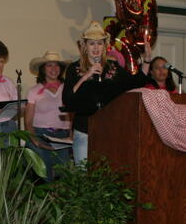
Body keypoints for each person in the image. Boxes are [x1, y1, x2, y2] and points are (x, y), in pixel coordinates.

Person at [62, 21, 152, 164]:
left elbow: (138, 81)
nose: (96, 47)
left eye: (100, 43)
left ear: (105, 46)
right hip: (84, 130)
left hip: (109, 130)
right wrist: (86, 76)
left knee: (107, 176)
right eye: (92, 43)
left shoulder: (113, 68)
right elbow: (68, 98)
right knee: (83, 175)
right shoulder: (74, 68)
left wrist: (147, 60)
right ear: (85, 46)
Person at [25, 51, 71, 181]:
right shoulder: (34, 91)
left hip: (63, 138)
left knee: (65, 178)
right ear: (43, 69)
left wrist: (71, 136)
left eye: (56, 65)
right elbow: (28, 122)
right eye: (49, 65)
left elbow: (74, 114)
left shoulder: (68, 88)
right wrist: (35, 140)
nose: (54, 69)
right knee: (43, 178)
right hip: (41, 135)